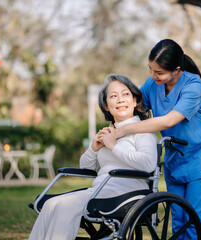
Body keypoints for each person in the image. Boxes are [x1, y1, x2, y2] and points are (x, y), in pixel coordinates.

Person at [112, 39, 201, 240]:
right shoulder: (152, 84)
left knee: (197, 224)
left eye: (158, 72)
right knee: (178, 222)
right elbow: (136, 108)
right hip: (176, 159)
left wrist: (125, 129)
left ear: (176, 69)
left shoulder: (193, 85)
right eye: (150, 69)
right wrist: (114, 123)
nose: (152, 76)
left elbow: (169, 121)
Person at [27, 73, 157, 240]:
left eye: (126, 94)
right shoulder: (109, 132)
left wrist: (114, 147)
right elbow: (86, 168)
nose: (120, 99)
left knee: (65, 206)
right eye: (113, 96)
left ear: (134, 101)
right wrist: (94, 149)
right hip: (101, 190)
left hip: (129, 192)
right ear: (106, 106)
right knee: (50, 205)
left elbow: (148, 164)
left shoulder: (142, 129)